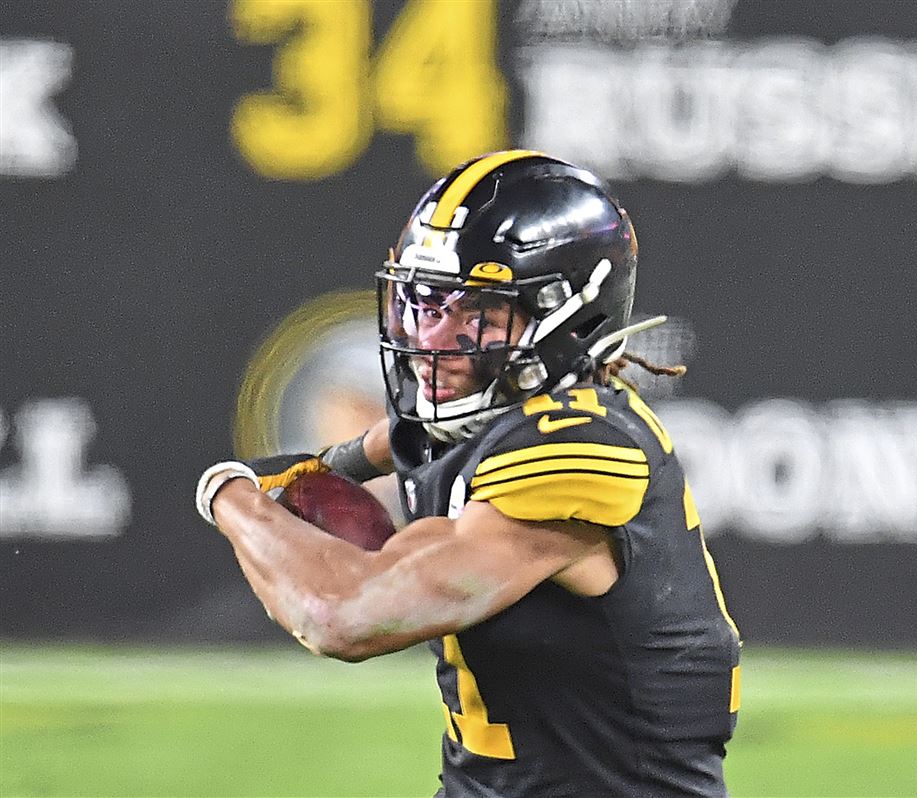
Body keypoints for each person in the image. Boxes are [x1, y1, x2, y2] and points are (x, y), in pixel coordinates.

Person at [195, 150, 741, 797]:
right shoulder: (487, 416)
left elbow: (338, 616)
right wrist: (325, 470)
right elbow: (389, 442)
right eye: (424, 302)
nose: (431, 336)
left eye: (475, 311)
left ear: (568, 318)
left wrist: (229, 493)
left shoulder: (580, 446)